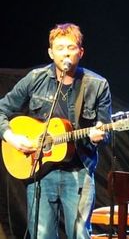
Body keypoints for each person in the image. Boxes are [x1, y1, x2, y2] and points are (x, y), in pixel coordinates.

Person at [0, 23, 112, 238]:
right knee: (42, 235)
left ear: (81, 52)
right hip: (40, 171)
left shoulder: (97, 85)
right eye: (60, 48)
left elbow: (104, 130)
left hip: (78, 171)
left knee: (80, 234)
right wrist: (11, 137)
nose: (66, 53)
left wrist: (100, 136)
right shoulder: (35, 79)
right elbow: (2, 109)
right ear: (51, 53)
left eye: (71, 47)